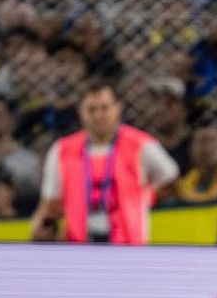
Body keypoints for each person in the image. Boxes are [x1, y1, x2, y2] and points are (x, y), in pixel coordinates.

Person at [30, 81, 180, 244]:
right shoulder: (62, 150)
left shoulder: (141, 145)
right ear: (80, 111)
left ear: (118, 108)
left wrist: (146, 196)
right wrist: (39, 226)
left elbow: (170, 178)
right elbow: (50, 203)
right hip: (79, 245)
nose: (98, 116)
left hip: (128, 245)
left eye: (104, 108)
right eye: (91, 109)